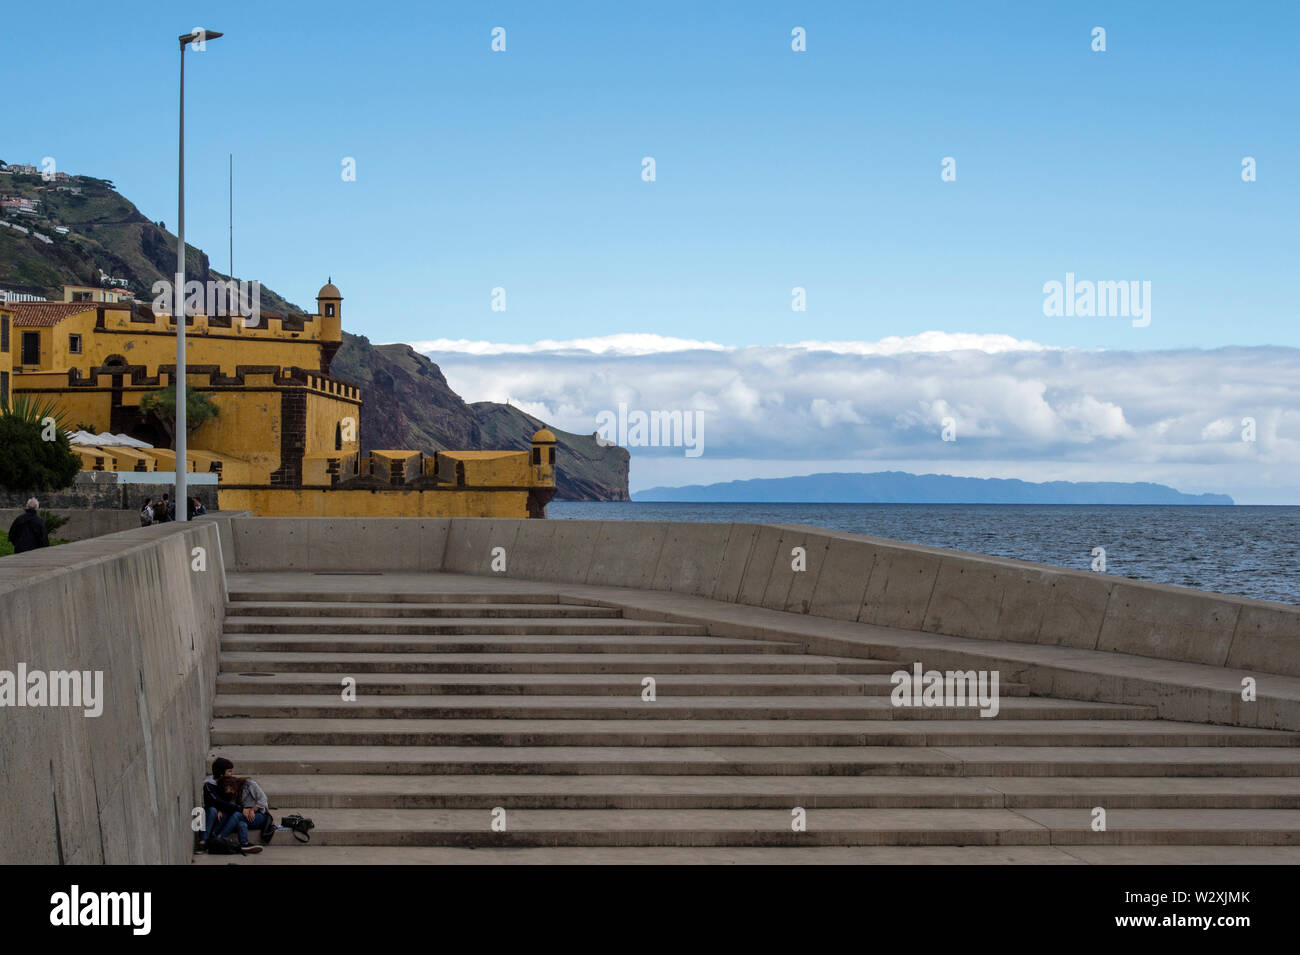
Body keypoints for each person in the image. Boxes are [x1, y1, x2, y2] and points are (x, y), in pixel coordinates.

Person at [199, 757, 262, 854]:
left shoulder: (227, 783)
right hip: (211, 814)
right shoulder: (208, 785)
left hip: (224, 813)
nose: (231, 774)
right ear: (221, 773)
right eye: (229, 771)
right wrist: (240, 809)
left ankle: (216, 839)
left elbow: (227, 803)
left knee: (227, 813)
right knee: (212, 810)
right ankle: (204, 842)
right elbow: (217, 801)